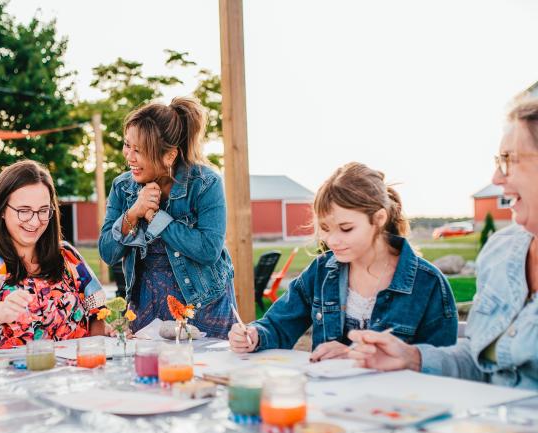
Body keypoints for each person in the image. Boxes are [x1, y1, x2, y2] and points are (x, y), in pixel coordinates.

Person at [349, 99, 538, 389]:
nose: (496, 177)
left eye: (508, 159)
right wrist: (412, 358)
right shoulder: (501, 251)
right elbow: (480, 361)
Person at [229, 162, 458, 356]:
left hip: (398, 405)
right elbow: (278, 325)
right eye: (326, 229)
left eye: (346, 228)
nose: (332, 240)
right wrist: (255, 335)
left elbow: (440, 365)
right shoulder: (320, 272)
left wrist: (353, 357)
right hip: (328, 401)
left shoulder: (427, 283)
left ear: (378, 218)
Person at [98, 96, 236, 339]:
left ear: (169, 156)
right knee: (150, 375)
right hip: (146, 308)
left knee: (206, 373)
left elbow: (208, 249)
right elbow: (108, 253)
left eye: (138, 150)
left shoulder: (205, 184)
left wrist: (156, 218)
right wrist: (133, 213)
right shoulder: (122, 188)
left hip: (203, 308)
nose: (129, 156)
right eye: (127, 145)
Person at [0, 160, 106, 352]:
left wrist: (97, 354)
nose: (35, 221)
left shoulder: (67, 257)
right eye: (24, 211)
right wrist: (2, 310)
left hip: (69, 377)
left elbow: (96, 309)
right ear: (2, 209)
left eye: (43, 211)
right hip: (5, 378)